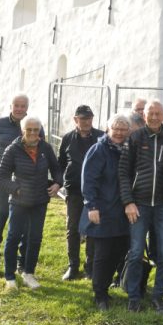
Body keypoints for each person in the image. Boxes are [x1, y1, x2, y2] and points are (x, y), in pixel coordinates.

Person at [119, 100, 163, 313]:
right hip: (139, 205)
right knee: (136, 252)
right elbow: (124, 173)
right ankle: (134, 296)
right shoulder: (135, 138)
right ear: (144, 116)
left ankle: (158, 295)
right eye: (150, 113)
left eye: (158, 113)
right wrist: (128, 202)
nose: (154, 117)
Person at [0, 116, 62, 289]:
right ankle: (10, 276)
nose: (33, 133)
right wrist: (16, 189)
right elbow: (0, 177)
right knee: (13, 237)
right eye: (29, 130)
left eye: (36, 130)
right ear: (22, 131)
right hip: (19, 202)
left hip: (40, 201)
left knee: (35, 238)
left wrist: (57, 183)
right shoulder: (13, 149)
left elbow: (56, 169)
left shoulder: (45, 148)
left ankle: (28, 273)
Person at [80, 114, 132, 310]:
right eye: (115, 129)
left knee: (118, 251)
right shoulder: (99, 150)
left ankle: (108, 286)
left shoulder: (127, 150)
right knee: (102, 255)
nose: (119, 132)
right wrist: (91, 205)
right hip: (101, 211)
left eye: (123, 129)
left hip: (121, 212)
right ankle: (99, 294)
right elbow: (89, 180)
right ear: (108, 130)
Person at [0, 93, 37, 275]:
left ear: (27, 107)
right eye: (17, 105)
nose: (20, 109)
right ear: (11, 106)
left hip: (24, 184)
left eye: (23, 106)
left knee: (23, 226)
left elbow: (39, 151)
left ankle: (21, 264)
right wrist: (1, 170)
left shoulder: (33, 126)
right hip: (1, 182)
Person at [58, 105, 104, 281]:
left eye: (89, 118)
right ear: (75, 119)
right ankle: (73, 266)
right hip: (74, 190)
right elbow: (61, 164)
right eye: (82, 119)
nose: (86, 122)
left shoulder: (101, 137)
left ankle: (90, 267)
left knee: (92, 228)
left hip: (95, 192)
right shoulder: (67, 138)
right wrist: (60, 183)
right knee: (73, 228)